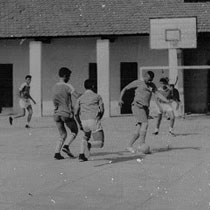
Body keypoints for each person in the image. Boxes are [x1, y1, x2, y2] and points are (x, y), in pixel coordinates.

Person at [119, 71, 169, 154]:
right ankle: (142, 144)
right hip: (137, 106)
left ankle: (129, 145)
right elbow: (125, 88)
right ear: (144, 77)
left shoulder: (152, 85)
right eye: (148, 80)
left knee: (139, 128)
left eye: (151, 80)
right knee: (145, 124)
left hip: (145, 109)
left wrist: (166, 101)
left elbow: (157, 94)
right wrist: (120, 98)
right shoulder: (138, 82)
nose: (149, 82)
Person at [52, 67, 81, 160]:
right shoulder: (68, 86)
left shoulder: (54, 87)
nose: (69, 78)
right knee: (74, 131)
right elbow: (77, 96)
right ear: (65, 76)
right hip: (66, 113)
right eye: (69, 76)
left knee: (63, 134)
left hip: (56, 114)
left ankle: (57, 152)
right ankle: (66, 146)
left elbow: (54, 101)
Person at [75, 79, 105, 162]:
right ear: (93, 86)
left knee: (86, 136)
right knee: (100, 143)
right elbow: (102, 110)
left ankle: (81, 155)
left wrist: (79, 123)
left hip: (84, 121)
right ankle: (88, 145)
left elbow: (75, 113)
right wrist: (99, 118)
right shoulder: (97, 96)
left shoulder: (80, 98)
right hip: (93, 120)